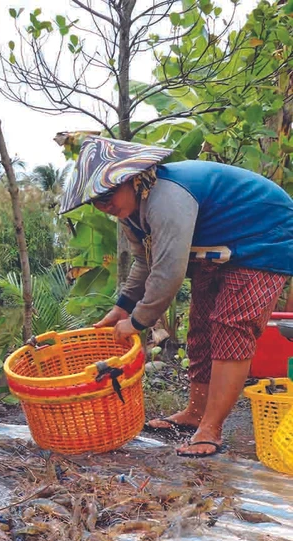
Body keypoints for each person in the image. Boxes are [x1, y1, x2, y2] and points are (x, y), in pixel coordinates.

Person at [60, 136, 293, 458]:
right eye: (97, 202)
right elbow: (145, 261)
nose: (106, 206)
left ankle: (210, 429)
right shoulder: (131, 212)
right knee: (200, 332)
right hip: (217, 250)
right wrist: (122, 307)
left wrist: (139, 321)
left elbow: (168, 271)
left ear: (132, 178)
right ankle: (196, 413)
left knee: (232, 329)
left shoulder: (166, 197)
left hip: (263, 239)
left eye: (109, 195)